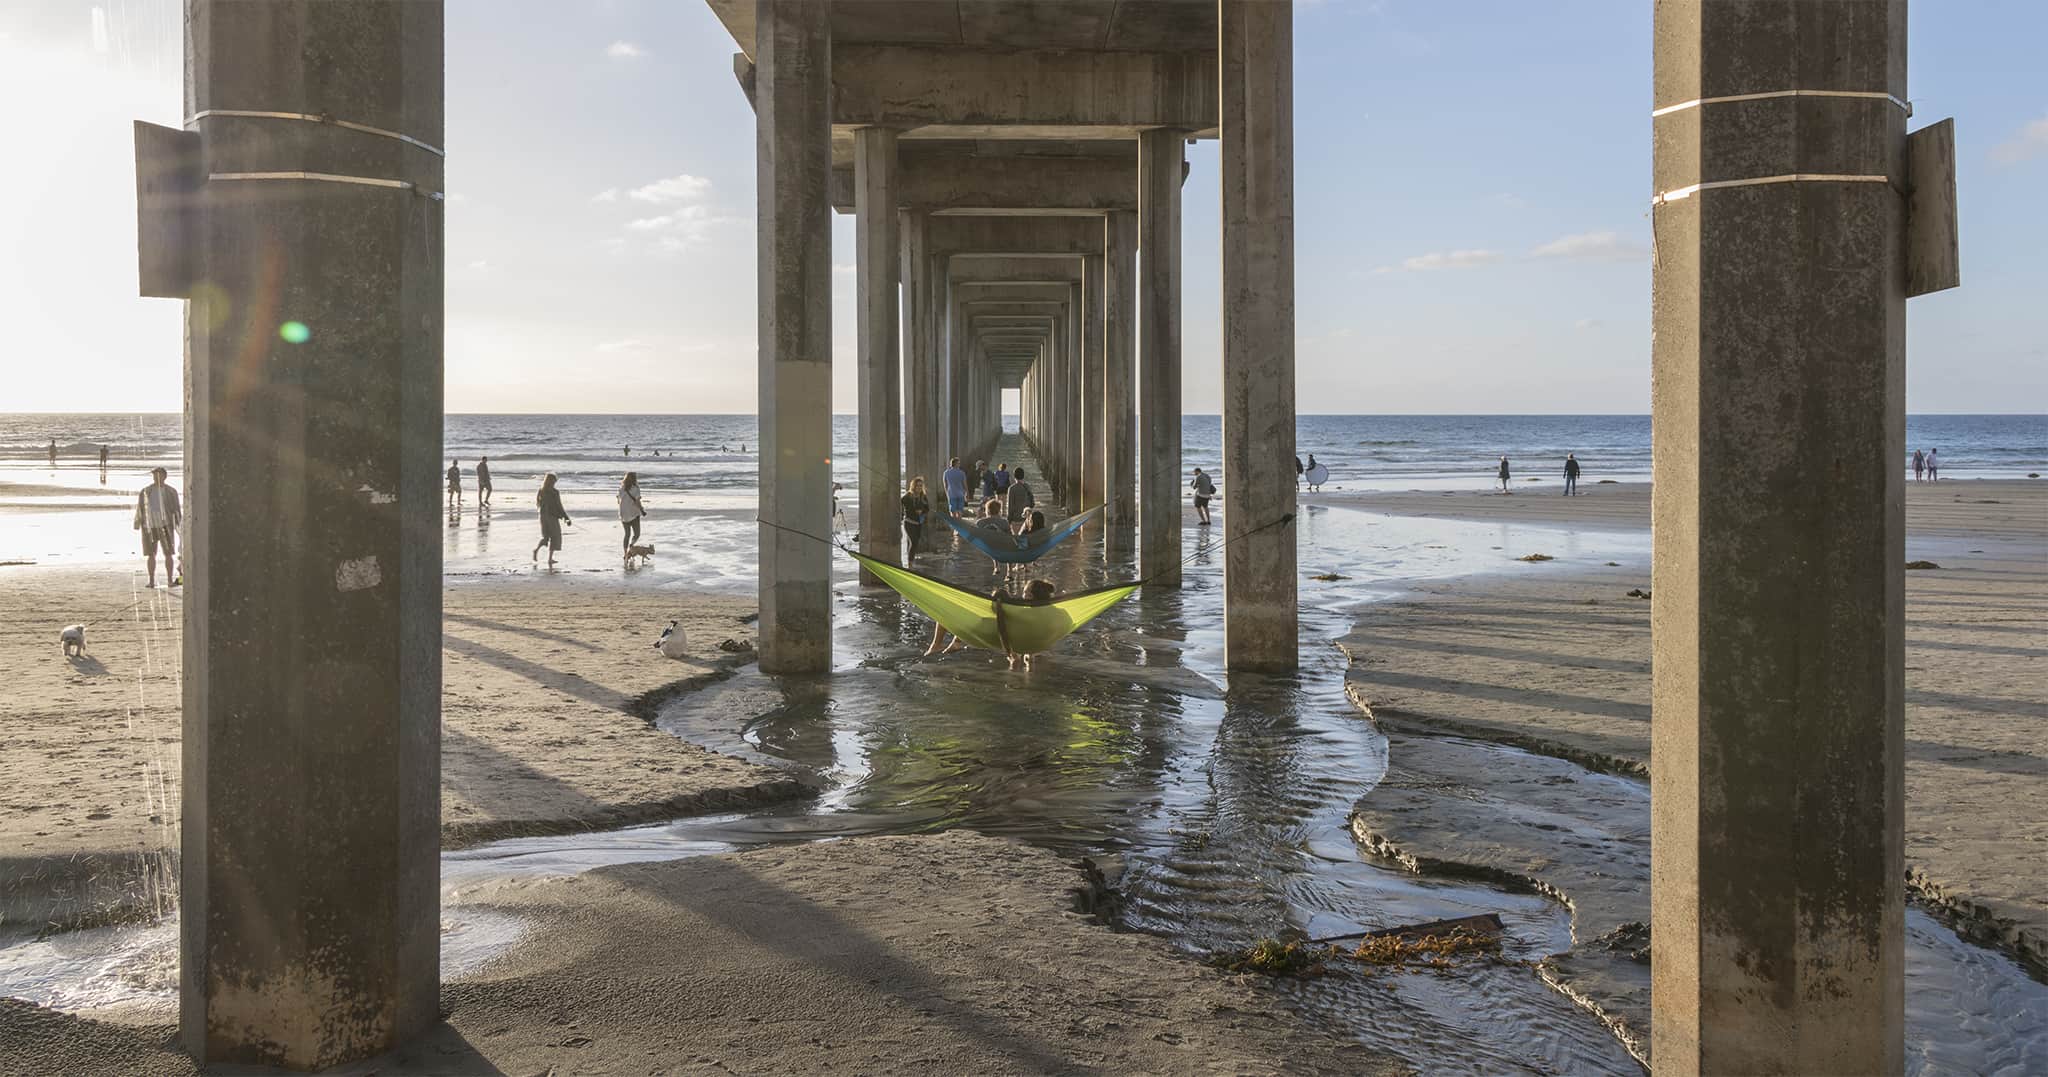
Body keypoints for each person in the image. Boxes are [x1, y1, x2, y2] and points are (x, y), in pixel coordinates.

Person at [133, 466, 182, 589]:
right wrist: (137, 523)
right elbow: (140, 508)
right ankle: (151, 581)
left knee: (168, 554)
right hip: (150, 527)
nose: (156, 478)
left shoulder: (171, 491)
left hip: (166, 526)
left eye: (159, 475)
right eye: (155, 475)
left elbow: (176, 509)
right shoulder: (146, 491)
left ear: (165, 477)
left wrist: (179, 525)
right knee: (151, 554)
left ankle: (170, 580)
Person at [997, 578, 1059, 672]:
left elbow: (1002, 629)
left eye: (1025, 592)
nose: (1023, 595)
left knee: (1015, 663)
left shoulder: (1022, 613)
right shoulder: (1052, 610)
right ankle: (1029, 659)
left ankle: (1016, 667)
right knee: (1029, 658)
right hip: (1042, 642)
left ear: (1030, 596)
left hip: (1025, 642)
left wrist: (1010, 653)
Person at [533, 472, 572, 568]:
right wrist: (566, 517)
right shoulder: (554, 492)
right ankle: (549, 559)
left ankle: (536, 550)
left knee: (545, 537)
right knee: (555, 536)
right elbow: (559, 506)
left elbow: (538, 503)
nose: (555, 483)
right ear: (551, 481)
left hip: (542, 516)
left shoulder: (541, 490)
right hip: (552, 517)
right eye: (554, 481)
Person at [901, 476, 930, 565]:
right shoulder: (907, 496)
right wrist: (914, 511)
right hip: (909, 522)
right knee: (913, 542)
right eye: (917, 486)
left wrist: (922, 511)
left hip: (918, 523)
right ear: (913, 486)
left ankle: (910, 560)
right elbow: (903, 505)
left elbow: (927, 508)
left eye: (921, 486)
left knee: (915, 543)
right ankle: (910, 564)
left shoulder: (923, 496)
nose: (919, 487)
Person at [617, 472, 645, 553]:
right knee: (637, 534)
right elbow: (637, 502)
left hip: (623, 514)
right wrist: (642, 510)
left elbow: (618, 500)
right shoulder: (635, 488)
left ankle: (625, 553)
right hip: (633, 513)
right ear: (634, 479)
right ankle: (631, 546)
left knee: (627, 535)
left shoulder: (621, 488)